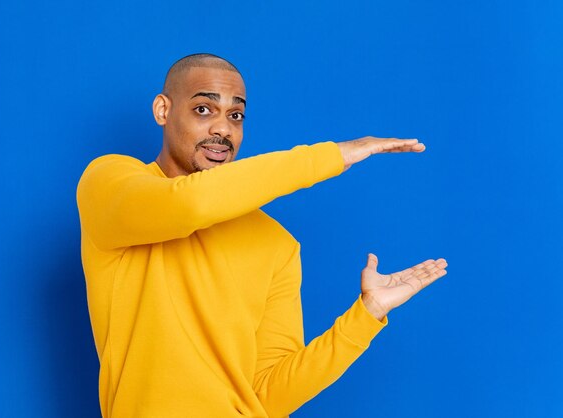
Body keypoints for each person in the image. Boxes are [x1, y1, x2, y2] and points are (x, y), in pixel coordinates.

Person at [76, 53, 448, 418]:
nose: (222, 129)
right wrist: (330, 157)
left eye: (235, 116)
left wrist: (366, 315)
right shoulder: (109, 183)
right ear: (162, 110)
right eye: (204, 109)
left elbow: (269, 396)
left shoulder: (276, 243)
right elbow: (190, 205)